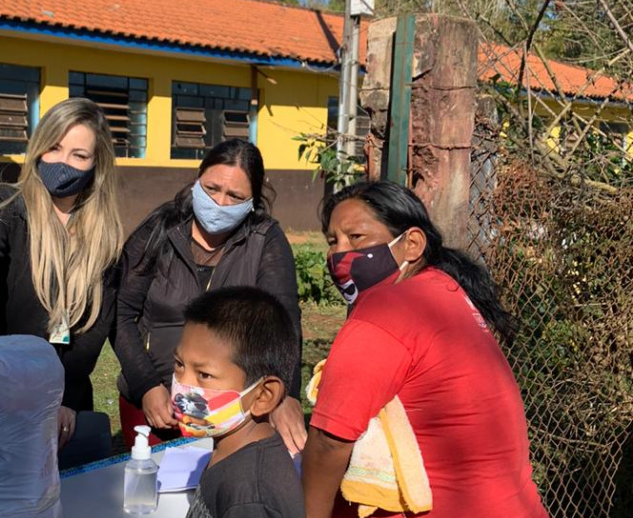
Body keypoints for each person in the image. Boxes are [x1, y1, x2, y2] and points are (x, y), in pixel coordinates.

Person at [302, 181, 548, 518]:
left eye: (356, 238)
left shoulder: (385, 311)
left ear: (412, 244)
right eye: (333, 241)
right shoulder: (445, 291)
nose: (339, 254)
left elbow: (330, 440)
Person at [0, 97, 123, 452]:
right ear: (38, 148)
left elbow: (99, 321)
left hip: (64, 401)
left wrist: (65, 395)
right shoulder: (7, 206)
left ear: (96, 164)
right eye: (54, 148)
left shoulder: (104, 234)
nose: (62, 162)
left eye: (78, 155)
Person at [113, 139, 306, 453]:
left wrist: (287, 396)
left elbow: (284, 322)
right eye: (212, 188)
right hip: (155, 406)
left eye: (235, 196)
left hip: (231, 413)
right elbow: (121, 312)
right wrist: (146, 385)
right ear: (197, 181)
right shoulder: (159, 231)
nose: (220, 203)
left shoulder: (265, 241)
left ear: (253, 200)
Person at [176, 287, 305, 518]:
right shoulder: (227, 448)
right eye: (179, 365)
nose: (181, 386)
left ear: (263, 396)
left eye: (204, 375)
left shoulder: (249, 498)